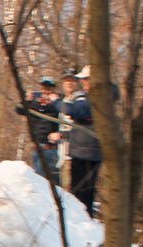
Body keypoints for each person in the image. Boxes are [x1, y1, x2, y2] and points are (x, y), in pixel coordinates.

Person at [49, 65, 102, 216]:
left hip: (85, 153)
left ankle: (81, 223)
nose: (84, 82)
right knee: (81, 193)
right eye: (83, 79)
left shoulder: (90, 98)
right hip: (81, 150)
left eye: (86, 79)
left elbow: (75, 111)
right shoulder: (90, 97)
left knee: (80, 195)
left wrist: (56, 102)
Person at [15, 76, 60, 184]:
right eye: (44, 87)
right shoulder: (35, 104)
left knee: (53, 182)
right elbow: (19, 110)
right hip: (37, 147)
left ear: (53, 89)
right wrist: (27, 100)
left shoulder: (58, 105)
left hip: (51, 148)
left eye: (49, 88)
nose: (46, 90)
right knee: (40, 180)